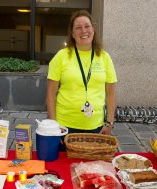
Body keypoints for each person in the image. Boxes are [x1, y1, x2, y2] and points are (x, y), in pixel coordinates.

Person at [46, 10, 117, 148]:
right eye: (78, 27)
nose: (83, 30)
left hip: (95, 128)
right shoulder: (61, 56)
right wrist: (53, 125)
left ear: (93, 30)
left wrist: (109, 123)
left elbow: (111, 93)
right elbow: (50, 93)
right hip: (64, 127)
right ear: (72, 34)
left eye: (87, 26)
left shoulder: (104, 57)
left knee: (91, 167)